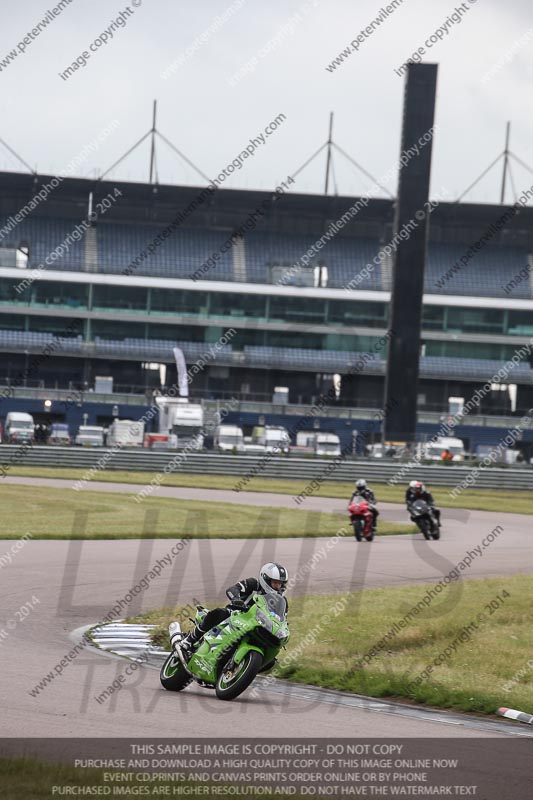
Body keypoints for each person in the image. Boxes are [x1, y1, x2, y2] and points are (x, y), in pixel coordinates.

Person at [178, 562, 289, 657]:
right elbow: (232, 589)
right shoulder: (253, 584)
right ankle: (189, 640)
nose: (278, 587)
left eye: (280, 584)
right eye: (275, 583)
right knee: (219, 613)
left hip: (257, 625)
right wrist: (237, 600)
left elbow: (282, 619)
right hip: (237, 614)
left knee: (272, 660)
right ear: (266, 579)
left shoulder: (282, 601)